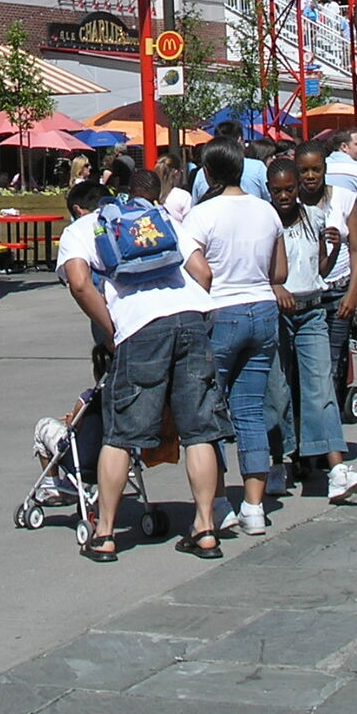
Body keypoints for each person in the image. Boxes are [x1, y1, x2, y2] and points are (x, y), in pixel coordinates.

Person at [57, 174, 227, 561]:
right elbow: (203, 272)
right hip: (190, 316)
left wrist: (112, 329)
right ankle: (205, 529)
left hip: (140, 329)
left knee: (121, 433)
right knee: (199, 429)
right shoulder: (156, 216)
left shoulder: (81, 229)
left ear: (82, 207)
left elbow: (80, 283)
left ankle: (105, 534)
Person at [181, 139, 288, 537]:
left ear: (207, 172)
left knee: (209, 413)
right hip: (262, 310)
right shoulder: (267, 212)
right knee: (250, 409)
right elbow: (279, 272)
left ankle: (219, 502)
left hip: (221, 312)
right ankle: (255, 507)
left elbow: (199, 272)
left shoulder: (200, 216)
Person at [269, 156, 357, 504]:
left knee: (321, 387)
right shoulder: (265, 222)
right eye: (278, 191)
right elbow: (255, 268)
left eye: (290, 189)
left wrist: (330, 247)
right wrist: (275, 287)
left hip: (312, 311)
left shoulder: (314, 217)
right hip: (279, 315)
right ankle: (278, 462)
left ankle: (337, 470)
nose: (285, 196)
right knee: (280, 392)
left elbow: (321, 268)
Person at [191, 121, 270, 201]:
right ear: (239, 139)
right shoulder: (257, 168)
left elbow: (195, 202)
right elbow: (269, 197)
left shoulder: (202, 173)